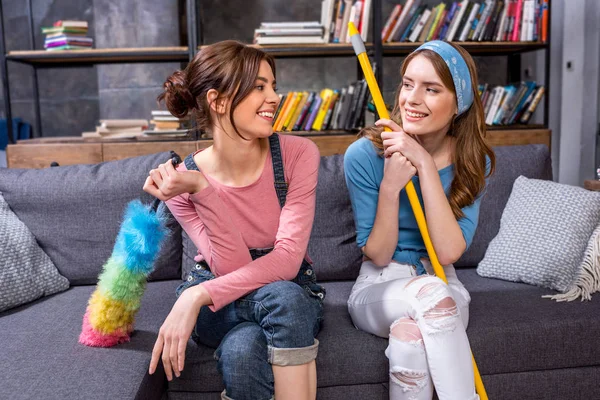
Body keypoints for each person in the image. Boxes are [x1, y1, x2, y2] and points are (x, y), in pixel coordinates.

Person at [143, 40, 325, 400]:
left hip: (278, 293)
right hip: (222, 303)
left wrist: (194, 297)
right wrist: (201, 189)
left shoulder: (298, 154)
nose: (274, 97)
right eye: (259, 87)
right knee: (283, 300)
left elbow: (287, 261)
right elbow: (232, 266)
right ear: (219, 101)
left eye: (273, 85)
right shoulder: (182, 181)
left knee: (243, 351)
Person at [344, 40, 495, 400]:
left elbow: (447, 253)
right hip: (380, 284)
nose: (412, 98)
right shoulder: (365, 154)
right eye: (408, 84)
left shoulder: (473, 162)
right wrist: (390, 187)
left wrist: (425, 165)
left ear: (459, 103)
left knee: (410, 340)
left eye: (431, 89)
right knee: (430, 296)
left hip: (443, 281)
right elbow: (378, 255)